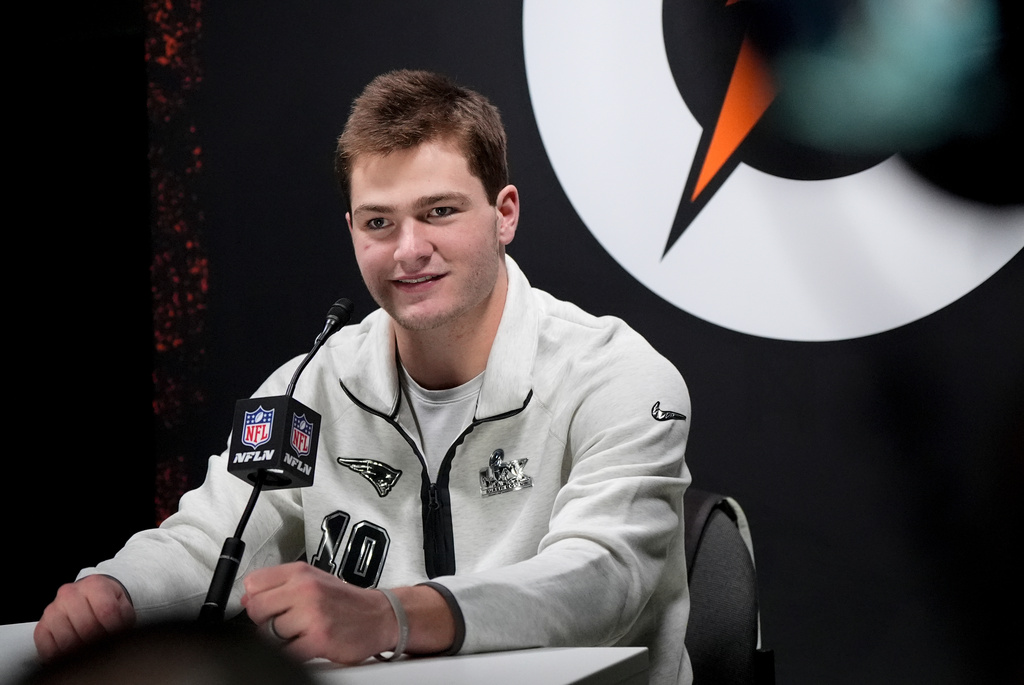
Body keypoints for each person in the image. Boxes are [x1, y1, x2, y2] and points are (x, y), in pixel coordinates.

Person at [34, 70, 693, 684]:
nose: (407, 249)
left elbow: (605, 576)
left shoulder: (619, 376)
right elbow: (213, 536)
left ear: (506, 213)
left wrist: (395, 614)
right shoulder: (307, 387)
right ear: (351, 231)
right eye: (380, 222)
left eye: (439, 211)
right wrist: (117, 593)